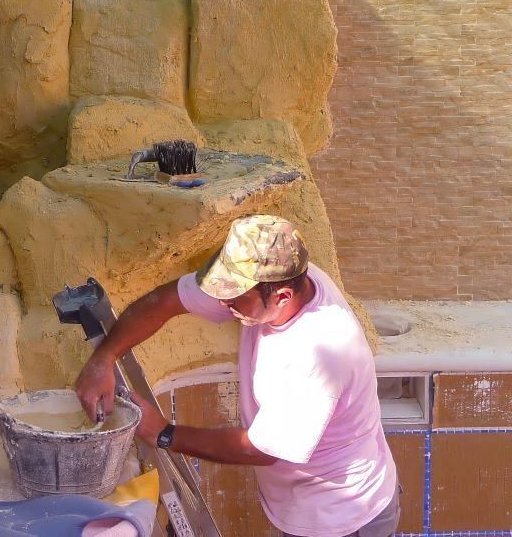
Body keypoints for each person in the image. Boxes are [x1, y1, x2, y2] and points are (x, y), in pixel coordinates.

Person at [75, 215, 399, 537]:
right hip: (307, 502)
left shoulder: (320, 353)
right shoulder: (274, 275)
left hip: (344, 517)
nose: (222, 300)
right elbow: (166, 300)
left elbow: (260, 449)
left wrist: (164, 433)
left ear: (282, 297)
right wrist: (104, 359)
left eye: (233, 295)